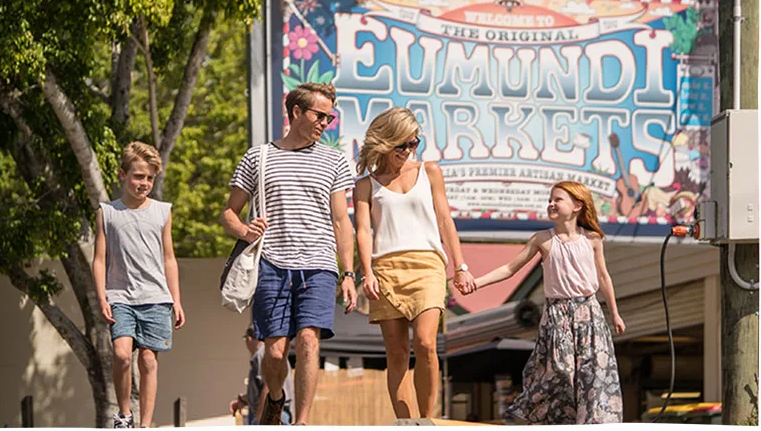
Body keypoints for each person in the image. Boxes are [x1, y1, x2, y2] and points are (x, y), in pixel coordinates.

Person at [221, 82, 358, 425]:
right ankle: (277, 398)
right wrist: (244, 229)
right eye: (319, 115)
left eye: (330, 117)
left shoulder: (335, 160)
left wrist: (349, 273)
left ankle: (302, 423)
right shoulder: (258, 157)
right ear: (296, 112)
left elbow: (342, 221)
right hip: (271, 264)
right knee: (276, 351)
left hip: (319, 265)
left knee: (310, 340)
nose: (325, 123)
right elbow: (229, 213)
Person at [462, 180, 625, 424]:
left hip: (589, 313)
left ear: (577, 205)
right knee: (561, 370)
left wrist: (615, 313)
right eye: (550, 199)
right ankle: (544, 418)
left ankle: (592, 422)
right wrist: (477, 282)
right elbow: (509, 268)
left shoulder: (592, 239)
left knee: (593, 372)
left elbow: (603, 276)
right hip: (558, 314)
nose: (551, 204)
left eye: (557, 199)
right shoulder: (543, 239)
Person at [352, 107, 474, 419]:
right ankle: (406, 423)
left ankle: (426, 418)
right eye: (402, 145)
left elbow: (446, 221)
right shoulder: (366, 185)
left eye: (414, 143)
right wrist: (366, 273)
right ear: (385, 141)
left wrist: (460, 266)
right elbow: (363, 232)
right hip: (386, 269)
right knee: (396, 354)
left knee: (425, 343)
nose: (408, 151)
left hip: (428, 265)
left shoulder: (430, 171)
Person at [93, 141, 185, 428]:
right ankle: (124, 415)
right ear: (123, 174)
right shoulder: (107, 212)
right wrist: (102, 297)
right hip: (120, 296)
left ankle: (145, 424)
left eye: (149, 177)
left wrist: (176, 300)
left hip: (156, 297)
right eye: (138, 176)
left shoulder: (162, 211)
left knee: (148, 361)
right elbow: (99, 259)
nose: (143, 183)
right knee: (121, 355)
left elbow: (169, 258)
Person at [229, 325, 295, 425]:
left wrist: (260, 420)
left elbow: (268, 386)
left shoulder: (262, 353)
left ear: (250, 338)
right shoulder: (266, 352)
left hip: (273, 413)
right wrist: (243, 400)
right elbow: (261, 389)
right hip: (278, 411)